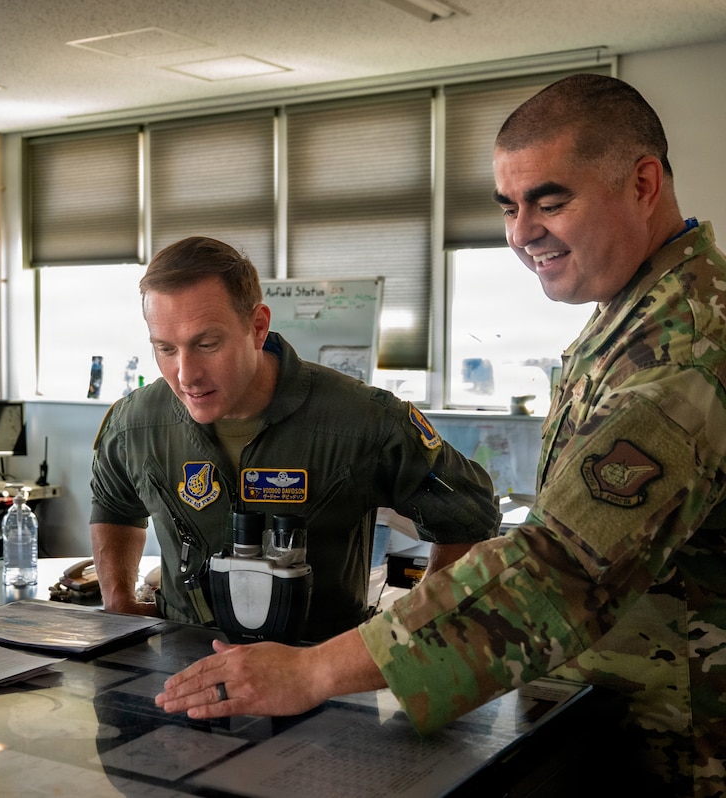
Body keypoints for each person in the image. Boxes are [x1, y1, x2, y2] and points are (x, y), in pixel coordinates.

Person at [155, 74, 726, 795]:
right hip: (611, 724)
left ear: (643, 183)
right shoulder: (637, 315)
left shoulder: (684, 349)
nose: (521, 232)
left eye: (550, 201)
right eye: (510, 206)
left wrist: (313, 670)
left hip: (684, 750)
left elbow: (556, 574)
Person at [89, 235, 502, 644]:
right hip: (182, 668)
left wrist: (412, 629)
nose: (185, 374)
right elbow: (114, 505)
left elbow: (469, 516)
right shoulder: (136, 424)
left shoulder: (361, 420)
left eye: (207, 344)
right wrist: (119, 601)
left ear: (257, 326)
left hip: (323, 676)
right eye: (165, 348)